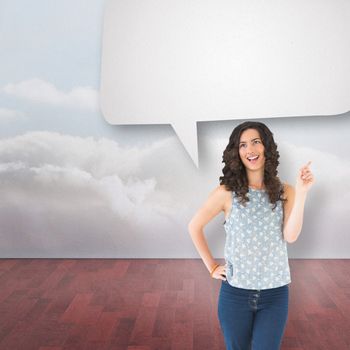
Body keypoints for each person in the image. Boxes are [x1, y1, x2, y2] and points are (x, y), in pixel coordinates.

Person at [187, 121, 315, 350]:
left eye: (256, 142)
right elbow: (194, 226)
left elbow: (291, 235)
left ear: (266, 147)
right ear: (237, 152)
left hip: (275, 295)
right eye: (243, 145)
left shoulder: (286, 191)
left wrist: (302, 192)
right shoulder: (226, 193)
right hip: (235, 295)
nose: (250, 150)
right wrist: (212, 267)